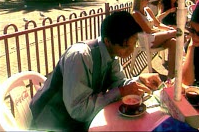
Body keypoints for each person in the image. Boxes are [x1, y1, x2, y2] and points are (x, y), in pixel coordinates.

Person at [29, 11, 163, 131]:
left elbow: (119, 83)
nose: (132, 50)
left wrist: (140, 79)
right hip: (50, 122)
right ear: (108, 41)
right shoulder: (80, 56)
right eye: (126, 46)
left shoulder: (111, 55)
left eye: (134, 44)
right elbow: (79, 111)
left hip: (73, 119)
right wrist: (120, 91)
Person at [132, 0, 177, 79]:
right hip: (145, 39)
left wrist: (168, 29)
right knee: (175, 32)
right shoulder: (135, 14)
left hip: (154, 36)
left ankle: (171, 75)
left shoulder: (147, 10)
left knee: (173, 41)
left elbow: (158, 24)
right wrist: (166, 32)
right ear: (140, 0)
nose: (148, 1)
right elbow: (148, 30)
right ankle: (183, 40)